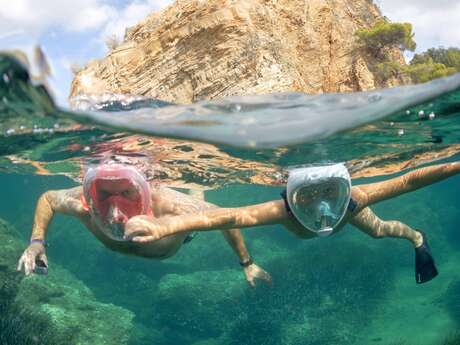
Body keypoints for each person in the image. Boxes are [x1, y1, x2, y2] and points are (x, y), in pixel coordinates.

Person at [122, 161, 460, 284]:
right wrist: (165, 227)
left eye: (330, 193)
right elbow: (225, 216)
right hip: (346, 210)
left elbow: (408, 180)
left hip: (353, 214)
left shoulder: (355, 199)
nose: (323, 208)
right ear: (291, 196)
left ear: (342, 189)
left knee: (379, 230)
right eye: (308, 197)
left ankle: (417, 237)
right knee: (377, 230)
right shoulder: (281, 209)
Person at [17, 163, 272, 287]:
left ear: (143, 195)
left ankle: (198, 185)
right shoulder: (84, 204)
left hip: (183, 234)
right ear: (93, 198)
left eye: (127, 194)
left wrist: (247, 264)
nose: (116, 213)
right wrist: (37, 242)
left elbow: (224, 217)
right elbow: (48, 199)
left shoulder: (171, 207)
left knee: (196, 206)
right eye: (105, 196)